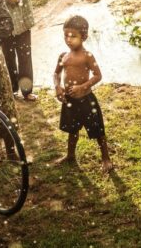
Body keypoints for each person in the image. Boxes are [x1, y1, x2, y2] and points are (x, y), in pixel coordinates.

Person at [53, 15, 113, 173]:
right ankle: (70, 155)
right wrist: (57, 87)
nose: (68, 39)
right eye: (66, 35)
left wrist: (83, 87)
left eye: (73, 36)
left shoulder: (87, 56)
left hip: (86, 100)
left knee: (97, 130)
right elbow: (56, 74)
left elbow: (98, 75)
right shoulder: (63, 56)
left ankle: (106, 158)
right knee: (72, 130)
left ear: (84, 37)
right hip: (70, 100)